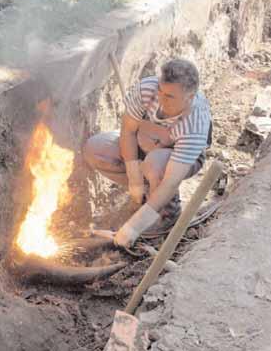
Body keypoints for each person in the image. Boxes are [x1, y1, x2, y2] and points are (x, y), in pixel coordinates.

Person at [83, 58, 212, 248]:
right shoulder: (147, 90)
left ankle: (167, 213)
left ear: (190, 97)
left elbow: (171, 181)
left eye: (169, 96)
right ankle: (149, 194)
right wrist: (134, 177)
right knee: (95, 149)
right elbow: (127, 131)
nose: (160, 98)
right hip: (145, 143)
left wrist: (133, 227)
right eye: (160, 90)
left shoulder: (195, 123)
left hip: (176, 161)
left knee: (155, 164)